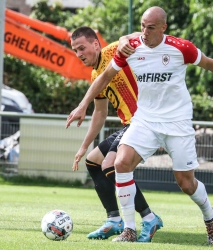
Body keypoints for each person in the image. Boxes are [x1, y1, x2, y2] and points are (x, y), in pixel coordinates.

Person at [66, 7, 213, 245]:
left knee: (185, 183)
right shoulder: (131, 48)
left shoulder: (180, 48)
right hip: (145, 120)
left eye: (151, 27)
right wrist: (83, 105)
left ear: (163, 28)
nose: (144, 32)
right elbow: (103, 77)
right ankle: (129, 229)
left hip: (177, 123)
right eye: (143, 26)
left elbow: (208, 63)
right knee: (120, 163)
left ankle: (210, 216)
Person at [69, 26, 163, 242]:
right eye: (75, 50)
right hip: (128, 125)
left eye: (82, 48)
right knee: (93, 162)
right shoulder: (95, 76)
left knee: (110, 165)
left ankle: (149, 217)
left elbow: (141, 36)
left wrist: (123, 38)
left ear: (95, 43)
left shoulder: (114, 51)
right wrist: (83, 147)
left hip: (143, 122)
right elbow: (100, 113)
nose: (79, 54)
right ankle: (114, 220)